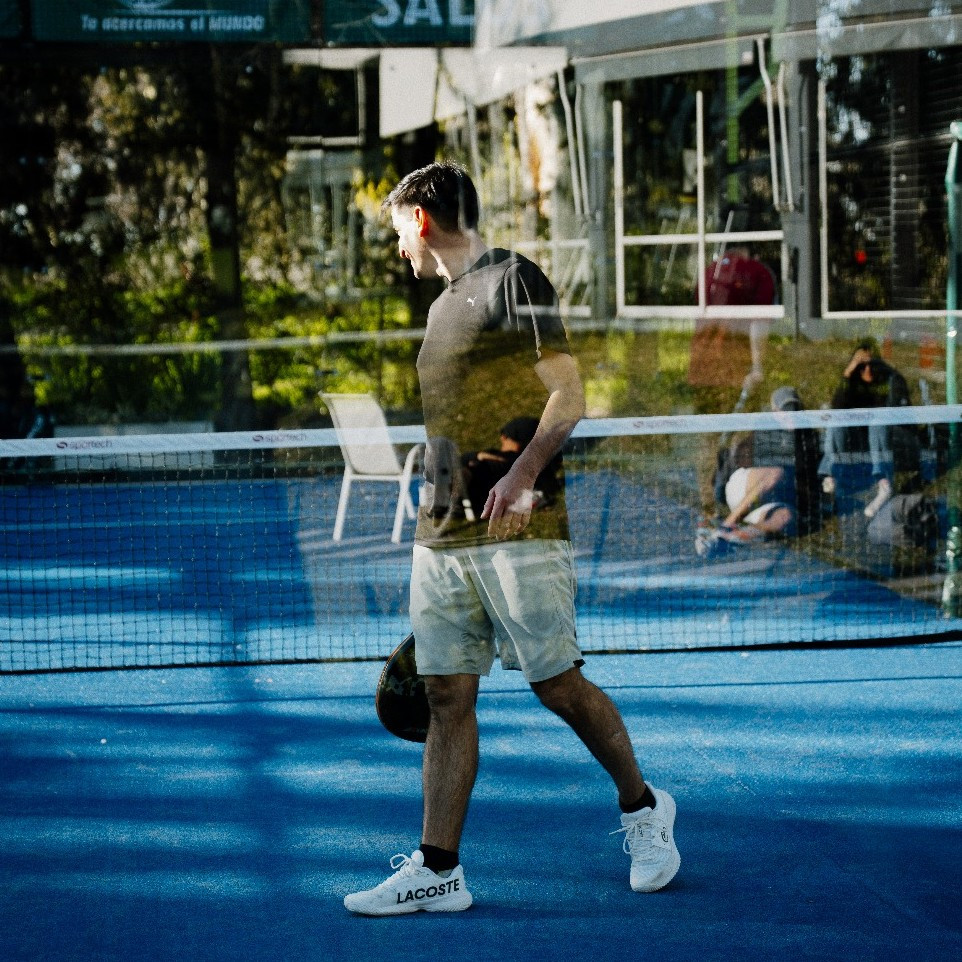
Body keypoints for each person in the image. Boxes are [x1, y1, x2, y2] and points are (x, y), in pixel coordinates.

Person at [343, 162, 680, 916]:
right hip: (443, 531)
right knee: (445, 693)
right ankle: (439, 869)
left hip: (519, 525)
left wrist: (524, 474)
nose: (398, 247)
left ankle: (644, 809)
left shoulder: (513, 281)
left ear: (421, 220)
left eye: (398, 231)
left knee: (556, 684)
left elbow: (569, 393)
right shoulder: (441, 307)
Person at [696, 386, 821, 557]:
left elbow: (811, 476)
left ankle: (729, 539)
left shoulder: (809, 438)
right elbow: (731, 459)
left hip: (775, 499)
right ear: (775, 412)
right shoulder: (762, 432)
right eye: (786, 409)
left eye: (795, 408)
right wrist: (716, 495)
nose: (791, 414)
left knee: (786, 519)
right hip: (743, 489)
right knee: (776, 473)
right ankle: (727, 524)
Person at [818, 341, 916, 518]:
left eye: (871, 364)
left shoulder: (890, 380)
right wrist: (848, 374)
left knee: (878, 421)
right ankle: (832, 479)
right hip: (862, 438)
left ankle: (884, 484)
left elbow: (892, 415)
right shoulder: (853, 380)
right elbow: (837, 408)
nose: (867, 370)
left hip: (890, 437)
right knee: (836, 422)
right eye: (862, 366)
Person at [460, 415, 562, 520]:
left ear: (505, 437)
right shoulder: (534, 464)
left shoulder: (510, 460)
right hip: (475, 496)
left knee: (463, 474)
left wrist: (475, 456)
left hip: (474, 486)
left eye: (504, 437)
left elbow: (461, 462)